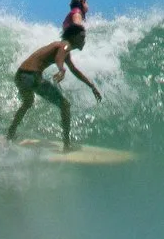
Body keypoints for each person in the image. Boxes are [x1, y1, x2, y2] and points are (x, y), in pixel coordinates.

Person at [6, 20, 103, 149]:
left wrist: (91, 86)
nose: (84, 40)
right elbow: (59, 59)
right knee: (65, 105)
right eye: (82, 37)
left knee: (28, 102)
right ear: (73, 37)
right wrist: (61, 69)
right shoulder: (65, 46)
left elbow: (75, 70)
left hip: (20, 76)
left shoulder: (62, 48)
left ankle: (10, 134)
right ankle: (67, 144)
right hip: (32, 76)